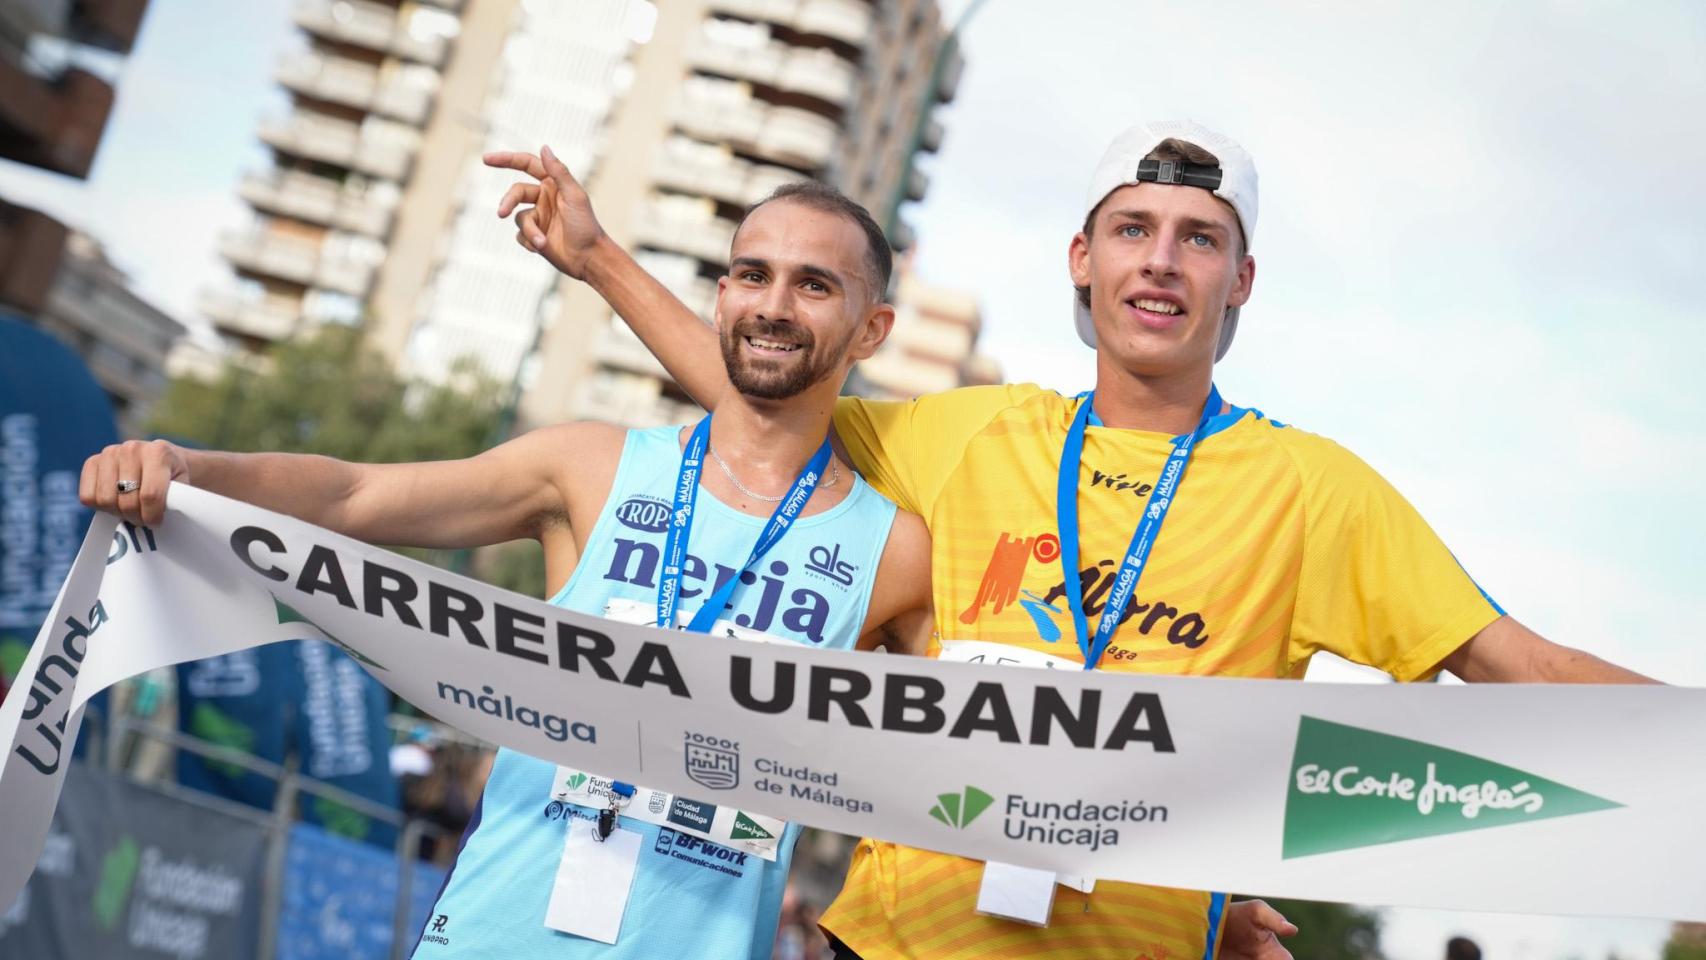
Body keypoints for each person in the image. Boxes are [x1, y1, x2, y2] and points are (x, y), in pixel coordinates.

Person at [485, 118, 1653, 960]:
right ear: (1081, 261)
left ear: (1241, 280)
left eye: (1199, 238)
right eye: (1131, 228)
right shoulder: (972, 436)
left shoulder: (1314, 493)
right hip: (888, 945)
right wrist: (594, 258)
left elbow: (1518, 664)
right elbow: (759, 395)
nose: (1160, 260)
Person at [78, 176, 932, 958]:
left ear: (873, 328)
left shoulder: (897, 554)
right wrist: (188, 469)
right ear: (721, 296)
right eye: (752, 275)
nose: (773, 305)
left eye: (814, 285)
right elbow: (353, 494)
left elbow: (955, 769)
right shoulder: (589, 467)